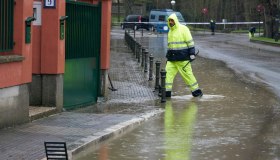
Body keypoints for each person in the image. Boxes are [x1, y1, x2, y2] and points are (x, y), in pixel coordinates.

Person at [165, 13, 203, 97]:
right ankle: (167, 92)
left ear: (175, 20)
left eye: (172, 20)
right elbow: (170, 46)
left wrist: (192, 53)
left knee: (188, 75)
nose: (170, 22)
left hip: (183, 59)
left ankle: (196, 91)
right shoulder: (170, 31)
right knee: (167, 75)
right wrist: (167, 57)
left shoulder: (184, 29)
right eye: (169, 20)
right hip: (172, 59)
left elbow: (190, 42)